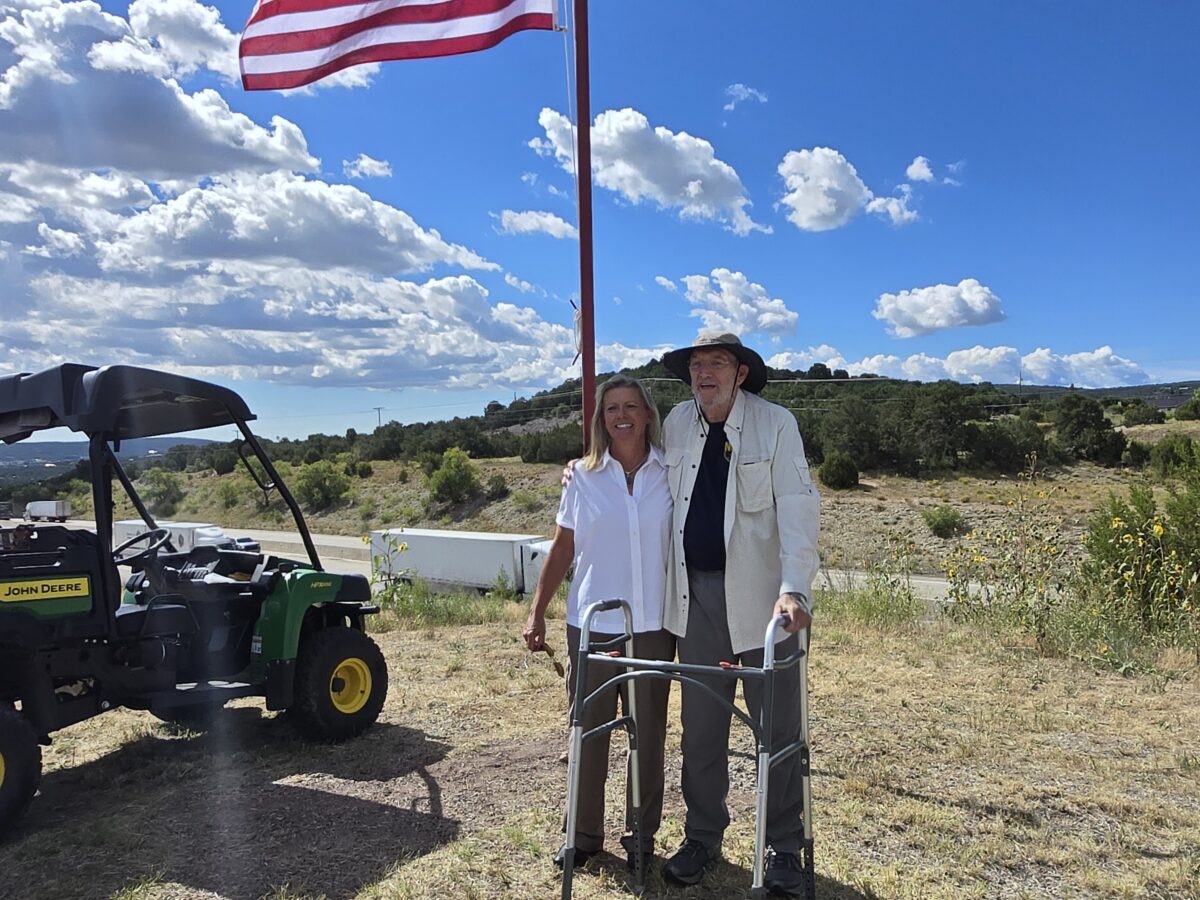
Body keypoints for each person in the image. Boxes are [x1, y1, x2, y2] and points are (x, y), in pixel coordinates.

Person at [657, 332, 820, 897]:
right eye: (697, 364)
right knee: (701, 730)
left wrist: (795, 589)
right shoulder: (677, 422)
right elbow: (636, 465)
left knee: (776, 730)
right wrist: (585, 469)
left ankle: (783, 848)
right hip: (696, 598)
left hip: (764, 601)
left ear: (741, 373)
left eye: (717, 364)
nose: (704, 373)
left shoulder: (777, 425)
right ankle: (703, 836)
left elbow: (799, 507)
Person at [523, 374, 675, 874]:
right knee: (587, 733)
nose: (622, 414)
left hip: (653, 625)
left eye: (632, 405)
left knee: (647, 734)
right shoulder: (583, 475)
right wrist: (537, 610)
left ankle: (641, 837)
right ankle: (583, 835)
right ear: (600, 418)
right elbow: (563, 546)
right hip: (592, 624)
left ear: (648, 414)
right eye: (612, 408)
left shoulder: (670, 470)